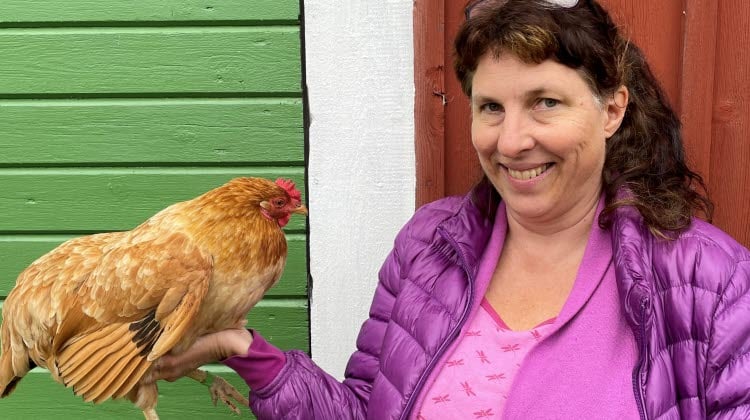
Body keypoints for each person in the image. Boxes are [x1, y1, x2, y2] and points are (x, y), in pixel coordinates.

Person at [150, 0, 750, 418]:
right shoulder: (429, 246)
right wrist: (247, 351)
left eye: (545, 102)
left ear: (612, 110)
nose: (511, 140)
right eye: (491, 108)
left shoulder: (710, 280)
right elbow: (366, 411)